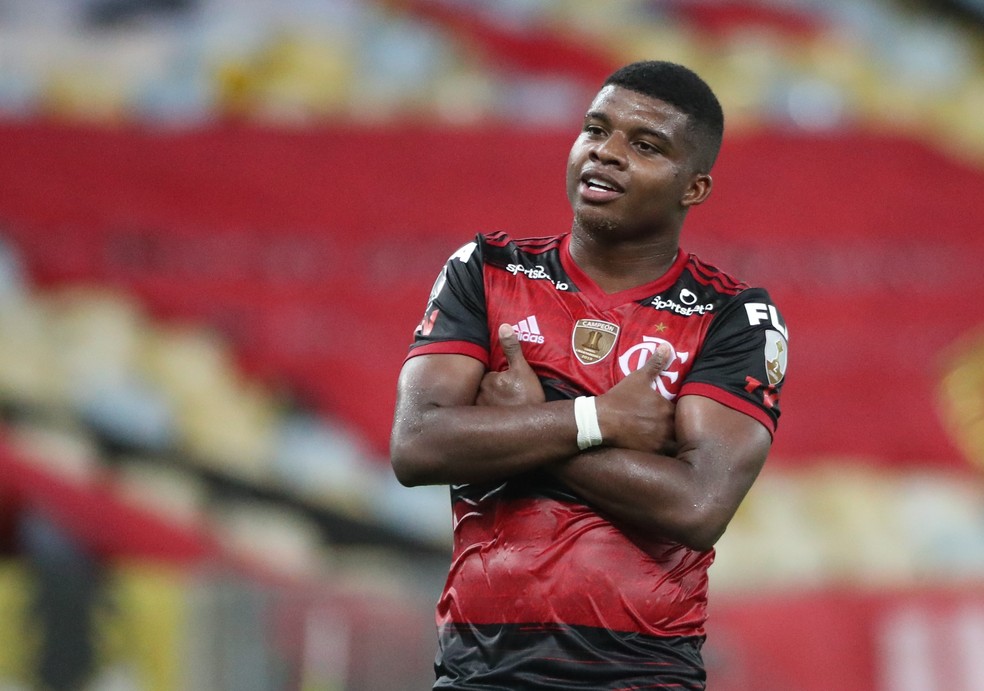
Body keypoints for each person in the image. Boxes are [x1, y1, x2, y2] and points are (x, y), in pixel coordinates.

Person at [390, 60, 788, 690]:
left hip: (643, 672)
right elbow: (417, 446)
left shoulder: (733, 317)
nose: (607, 154)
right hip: (478, 670)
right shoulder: (486, 271)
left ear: (694, 187)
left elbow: (696, 504)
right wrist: (598, 420)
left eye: (646, 145)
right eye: (595, 130)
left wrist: (519, 423)